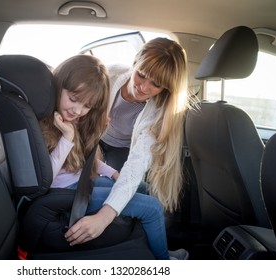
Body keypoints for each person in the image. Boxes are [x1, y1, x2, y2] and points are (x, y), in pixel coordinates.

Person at [62, 38, 191, 260]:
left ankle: (145, 247)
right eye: (141, 74)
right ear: (134, 63)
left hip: (123, 146)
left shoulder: (160, 112)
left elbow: (136, 165)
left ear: (166, 87)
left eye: (156, 84)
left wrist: (106, 215)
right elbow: (74, 113)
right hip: (91, 139)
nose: (143, 87)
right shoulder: (109, 76)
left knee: (140, 187)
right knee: (123, 194)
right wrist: (104, 215)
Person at [40, 54, 175, 259]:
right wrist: (67, 138)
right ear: (59, 86)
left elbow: (85, 159)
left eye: (87, 106)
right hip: (64, 193)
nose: (77, 110)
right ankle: (164, 261)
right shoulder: (47, 126)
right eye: (74, 99)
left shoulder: (72, 119)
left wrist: (114, 174)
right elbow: (45, 179)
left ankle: (147, 244)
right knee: (153, 208)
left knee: (144, 188)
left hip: (81, 181)